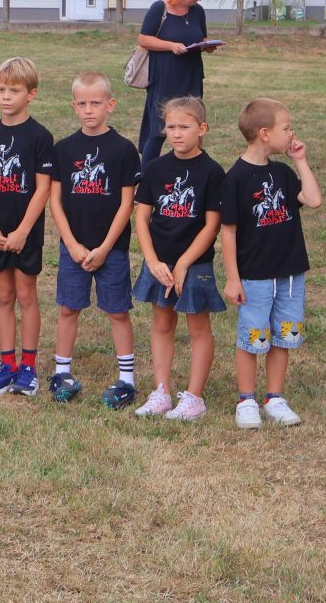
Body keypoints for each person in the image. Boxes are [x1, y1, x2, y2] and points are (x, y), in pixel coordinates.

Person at [220, 97, 323, 429]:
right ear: (265, 134)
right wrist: (233, 278)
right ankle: (246, 400)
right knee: (253, 338)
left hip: (289, 274)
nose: (292, 132)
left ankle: (274, 398)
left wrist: (300, 161)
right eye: (286, 127)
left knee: (282, 337)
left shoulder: (283, 172)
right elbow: (228, 232)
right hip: (254, 276)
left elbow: (313, 200)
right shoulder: (235, 178)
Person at [48, 72, 142, 408]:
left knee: (117, 310)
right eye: (82, 104)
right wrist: (71, 243)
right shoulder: (64, 149)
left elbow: (127, 204)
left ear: (110, 105)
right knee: (68, 307)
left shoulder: (124, 150)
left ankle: (127, 379)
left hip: (110, 249)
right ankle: (61, 372)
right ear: (74, 106)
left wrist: (104, 248)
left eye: (96, 103)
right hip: (73, 247)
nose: (89, 110)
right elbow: (54, 201)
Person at [130, 96, 224, 421]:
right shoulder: (155, 168)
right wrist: (153, 261)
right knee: (162, 324)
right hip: (160, 262)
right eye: (171, 127)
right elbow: (142, 218)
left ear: (202, 129)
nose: (177, 133)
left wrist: (184, 263)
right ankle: (162, 392)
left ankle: (194, 397)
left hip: (194, 264)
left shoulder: (212, 172)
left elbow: (212, 225)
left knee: (198, 327)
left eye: (184, 126)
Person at [0, 57, 54, 396]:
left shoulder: (40, 136)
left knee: (25, 294)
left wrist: (23, 231)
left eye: (14, 90)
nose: (6, 97)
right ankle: (7, 364)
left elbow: (43, 188)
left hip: (25, 231)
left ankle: (28, 367)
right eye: (1, 90)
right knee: (3, 294)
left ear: (31, 94)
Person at [136, 0, 215, 161]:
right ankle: (147, 173)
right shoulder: (159, 8)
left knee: (193, 124)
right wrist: (171, 46)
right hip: (164, 77)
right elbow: (144, 39)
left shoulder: (198, 11)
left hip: (191, 75)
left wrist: (207, 45)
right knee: (158, 130)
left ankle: (193, 167)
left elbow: (201, 36)